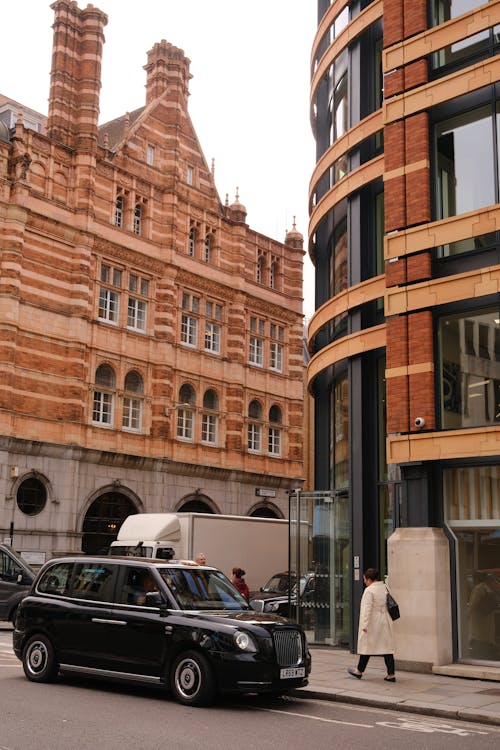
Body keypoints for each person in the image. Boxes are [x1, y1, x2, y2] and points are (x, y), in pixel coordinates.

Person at [347, 567, 396, 682]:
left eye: (364, 579)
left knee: (366, 647)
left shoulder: (369, 591)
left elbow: (366, 610)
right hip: (385, 620)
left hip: (373, 622)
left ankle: (359, 671)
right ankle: (391, 674)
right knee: (387, 648)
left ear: (369, 579)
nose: (364, 581)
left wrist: (364, 626)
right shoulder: (385, 587)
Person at [467, 571, 500, 660]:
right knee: (481, 649)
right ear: (491, 582)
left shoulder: (491, 592)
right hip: (479, 630)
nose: (498, 585)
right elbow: (472, 605)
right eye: (497, 582)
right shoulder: (480, 589)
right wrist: (466, 619)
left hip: (485, 631)